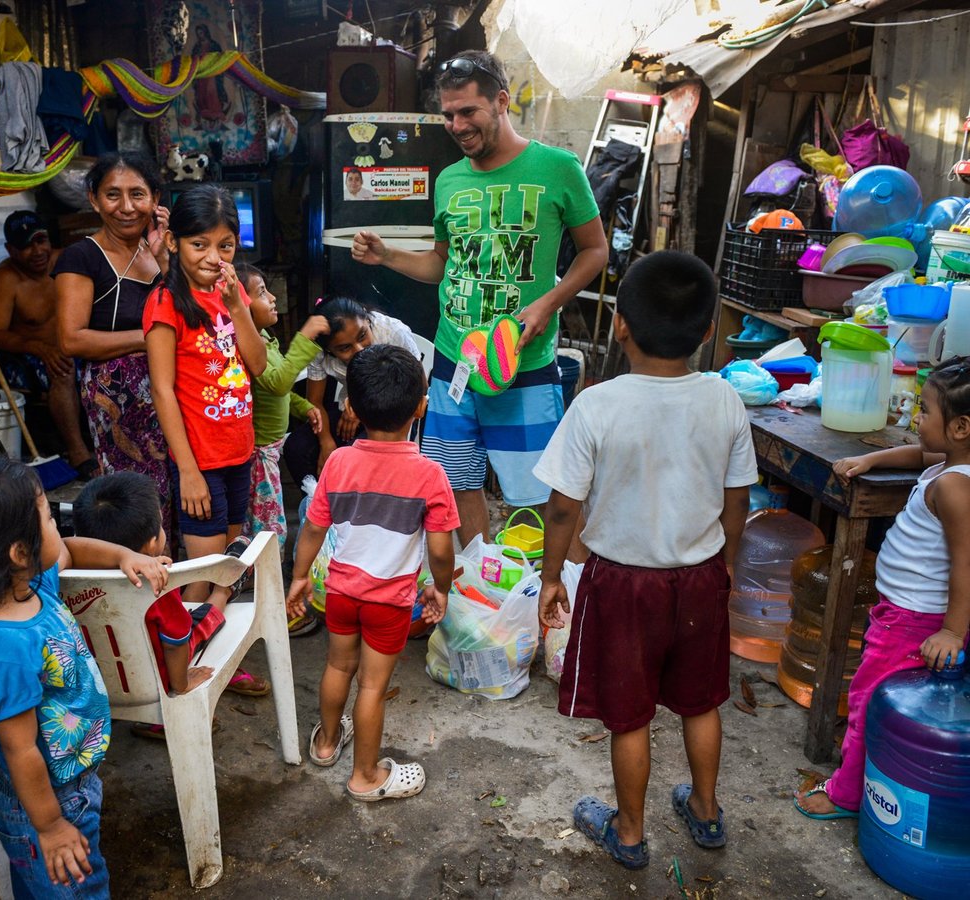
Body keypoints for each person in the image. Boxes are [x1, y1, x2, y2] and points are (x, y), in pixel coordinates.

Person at [535, 251, 756, 869]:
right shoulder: (724, 400)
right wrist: (728, 562)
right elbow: (737, 499)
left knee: (628, 714)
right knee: (700, 700)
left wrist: (553, 576)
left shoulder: (597, 405)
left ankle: (629, 834)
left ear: (620, 325)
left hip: (623, 584)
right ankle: (706, 813)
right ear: (709, 331)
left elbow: (561, 508)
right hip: (702, 576)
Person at [351, 49, 608, 545]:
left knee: (541, 497)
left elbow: (595, 252)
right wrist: (388, 255)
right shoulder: (449, 180)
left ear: (502, 102)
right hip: (453, 365)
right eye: (448, 114)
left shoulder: (557, 168)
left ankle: (557, 603)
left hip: (523, 364)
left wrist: (546, 304)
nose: (457, 125)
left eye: (468, 111)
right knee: (456, 487)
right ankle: (476, 597)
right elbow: (442, 263)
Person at [0, 455, 172, 896]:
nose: (57, 524)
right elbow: (20, 749)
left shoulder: (26, 586)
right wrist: (52, 826)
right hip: (44, 804)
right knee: (79, 888)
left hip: (66, 784)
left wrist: (125, 556)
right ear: (18, 553)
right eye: (48, 517)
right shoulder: (5, 650)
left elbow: (70, 549)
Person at [793, 355, 970, 820]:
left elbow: (965, 565)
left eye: (926, 412)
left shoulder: (955, 488)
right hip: (911, 615)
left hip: (914, 621)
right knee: (901, 709)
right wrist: (869, 458)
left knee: (867, 702)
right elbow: (917, 454)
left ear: (961, 427)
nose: (917, 419)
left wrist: (952, 631)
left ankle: (846, 794)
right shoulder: (950, 465)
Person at [287, 344, 458, 801]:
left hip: (340, 593)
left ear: (352, 408)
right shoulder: (429, 475)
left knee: (337, 666)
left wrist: (300, 576)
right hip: (389, 603)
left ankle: (325, 744)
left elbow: (313, 526)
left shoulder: (339, 462)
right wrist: (440, 588)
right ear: (421, 407)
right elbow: (440, 550)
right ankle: (366, 776)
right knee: (373, 685)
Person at [143, 185, 269, 672]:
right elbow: (162, 391)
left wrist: (239, 307)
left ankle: (209, 656)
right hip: (201, 463)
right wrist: (189, 472)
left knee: (227, 567)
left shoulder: (227, 298)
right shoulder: (165, 302)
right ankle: (178, 675)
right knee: (201, 577)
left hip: (238, 453)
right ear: (173, 243)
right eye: (200, 245)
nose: (214, 257)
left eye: (225, 246)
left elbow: (257, 365)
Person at [54, 152, 175, 539]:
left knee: (173, 490)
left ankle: (173, 578)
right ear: (93, 198)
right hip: (118, 404)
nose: (126, 207)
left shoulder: (157, 254)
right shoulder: (81, 256)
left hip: (169, 394)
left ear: (155, 200)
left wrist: (164, 260)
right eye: (113, 195)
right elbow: (71, 338)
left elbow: (182, 316)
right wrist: (150, 339)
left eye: (138, 195)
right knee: (135, 501)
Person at [72, 472, 220, 702]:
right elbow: (176, 644)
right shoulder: (158, 583)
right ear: (152, 544)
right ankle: (224, 590)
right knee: (205, 617)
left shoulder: (66, 574)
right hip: (151, 684)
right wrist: (182, 684)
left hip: (94, 684)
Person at [236, 264, 327, 636]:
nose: (272, 298)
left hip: (270, 450)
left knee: (267, 528)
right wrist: (305, 338)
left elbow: (284, 391)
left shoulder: (266, 338)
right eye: (261, 292)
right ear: (239, 305)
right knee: (270, 532)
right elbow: (276, 382)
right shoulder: (248, 343)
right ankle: (273, 611)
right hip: (257, 455)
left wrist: (306, 408)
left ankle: (269, 601)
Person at [0, 210, 96, 478]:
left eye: (40, 240)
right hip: (27, 357)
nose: (37, 251)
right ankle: (78, 451)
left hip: (73, 346)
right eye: (25, 246)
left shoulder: (66, 261)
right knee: (63, 366)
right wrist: (41, 348)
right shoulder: (6, 280)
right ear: (10, 250)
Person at [281, 296, 419, 487]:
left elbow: (420, 386)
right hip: (350, 407)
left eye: (363, 336)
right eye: (345, 348)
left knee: (353, 457)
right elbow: (315, 401)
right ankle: (316, 504)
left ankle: (354, 510)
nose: (359, 349)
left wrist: (363, 409)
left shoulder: (393, 332)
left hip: (394, 413)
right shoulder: (317, 350)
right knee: (298, 447)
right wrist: (326, 442)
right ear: (328, 351)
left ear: (367, 320)